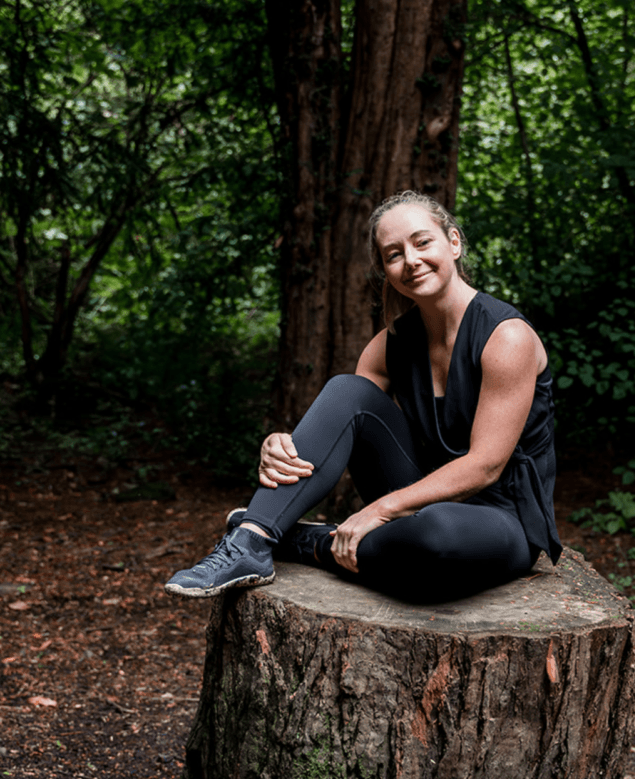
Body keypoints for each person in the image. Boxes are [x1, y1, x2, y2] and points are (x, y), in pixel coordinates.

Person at [165, 191, 561, 602]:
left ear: (454, 242)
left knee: (435, 538)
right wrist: (279, 445)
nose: (410, 260)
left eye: (422, 242)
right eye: (394, 254)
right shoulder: (391, 344)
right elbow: (343, 425)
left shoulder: (506, 337)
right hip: (417, 498)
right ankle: (252, 538)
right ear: (386, 271)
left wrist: (379, 510)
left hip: (501, 519)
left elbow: (485, 466)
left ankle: (308, 542)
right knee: (347, 388)